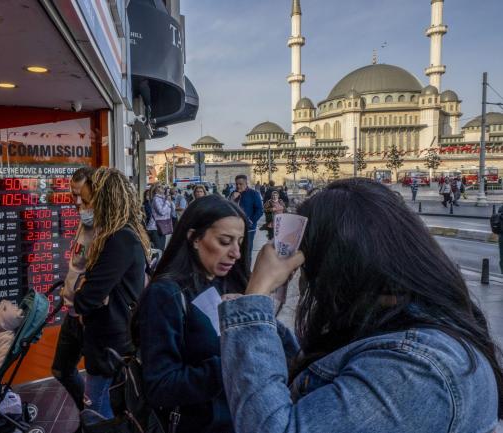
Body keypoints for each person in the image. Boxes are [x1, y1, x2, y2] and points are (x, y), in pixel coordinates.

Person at [218, 178, 503, 433]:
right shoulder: (407, 327)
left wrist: (256, 299)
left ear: (337, 266)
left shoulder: (415, 369)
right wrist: (261, 323)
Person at [139, 195, 249, 433]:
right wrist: (232, 364)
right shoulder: (165, 295)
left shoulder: (227, 284)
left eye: (239, 242)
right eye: (225, 241)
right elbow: (160, 385)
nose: (235, 253)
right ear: (194, 238)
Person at [73, 167, 150, 421]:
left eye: (87, 200)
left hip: (110, 345)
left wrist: (86, 291)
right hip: (112, 340)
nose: (82, 206)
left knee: (97, 416)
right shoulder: (124, 234)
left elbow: (87, 298)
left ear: (104, 199)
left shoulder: (119, 239)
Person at [51, 165, 95, 410]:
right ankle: (88, 414)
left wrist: (82, 304)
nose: (77, 202)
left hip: (86, 315)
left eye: (82, 195)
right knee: (61, 369)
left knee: (96, 375)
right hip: (74, 311)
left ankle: (93, 418)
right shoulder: (85, 221)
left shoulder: (104, 228)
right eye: (73, 195)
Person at [231, 175, 263, 261]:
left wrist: (250, 222)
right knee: (235, 252)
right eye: (236, 184)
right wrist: (233, 199)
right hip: (235, 229)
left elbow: (260, 210)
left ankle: (246, 273)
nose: (238, 186)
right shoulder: (233, 193)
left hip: (249, 229)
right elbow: (228, 208)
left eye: (240, 184)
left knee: (247, 252)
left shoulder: (253, 194)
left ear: (246, 183)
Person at [146, 183, 173, 251]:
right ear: (155, 190)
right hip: (155, 227)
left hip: (162, 227)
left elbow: (171, 211)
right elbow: (162, 212)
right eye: (159, 187)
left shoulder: (163, 198)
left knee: (161, 250)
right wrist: (167, 202)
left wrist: (169, 201)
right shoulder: (155, 199)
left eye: (162, 186)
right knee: (158, 250)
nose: (162, 187)